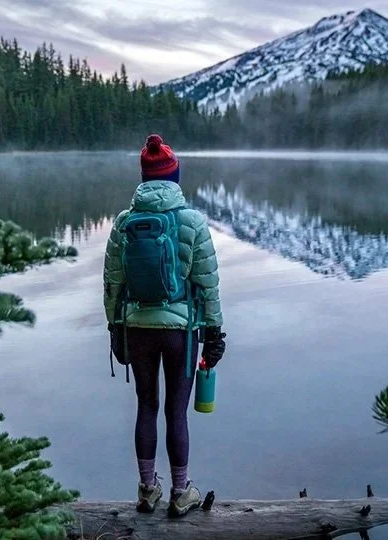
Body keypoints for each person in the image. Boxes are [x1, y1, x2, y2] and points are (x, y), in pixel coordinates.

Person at [103, 133, 227, 518]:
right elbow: (207, 283)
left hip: (137, 327)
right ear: (175, 177)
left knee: (145, 405)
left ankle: (146, 490)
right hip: (181, 332)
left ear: (144, 178)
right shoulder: (191, 221)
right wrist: (215, 333)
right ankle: (179, 491)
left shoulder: (124, 222)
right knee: (176, 411)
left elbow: (112, 283)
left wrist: (114, 327)